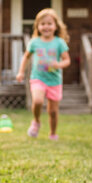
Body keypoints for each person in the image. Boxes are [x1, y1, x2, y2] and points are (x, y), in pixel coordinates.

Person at [16, 9, 71, 140]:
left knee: (52, 111)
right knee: (38, 100)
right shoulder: (34, 42)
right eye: (43, 24)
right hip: (38, 78)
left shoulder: (59, 42)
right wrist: (21, 72)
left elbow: (67, 60)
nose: (46, 26)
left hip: (54, 80)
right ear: (38, 26)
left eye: (49, 23)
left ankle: (52, 133)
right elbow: (26, 57)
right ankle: (36, 121)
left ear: (55, 26)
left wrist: (58, 64)